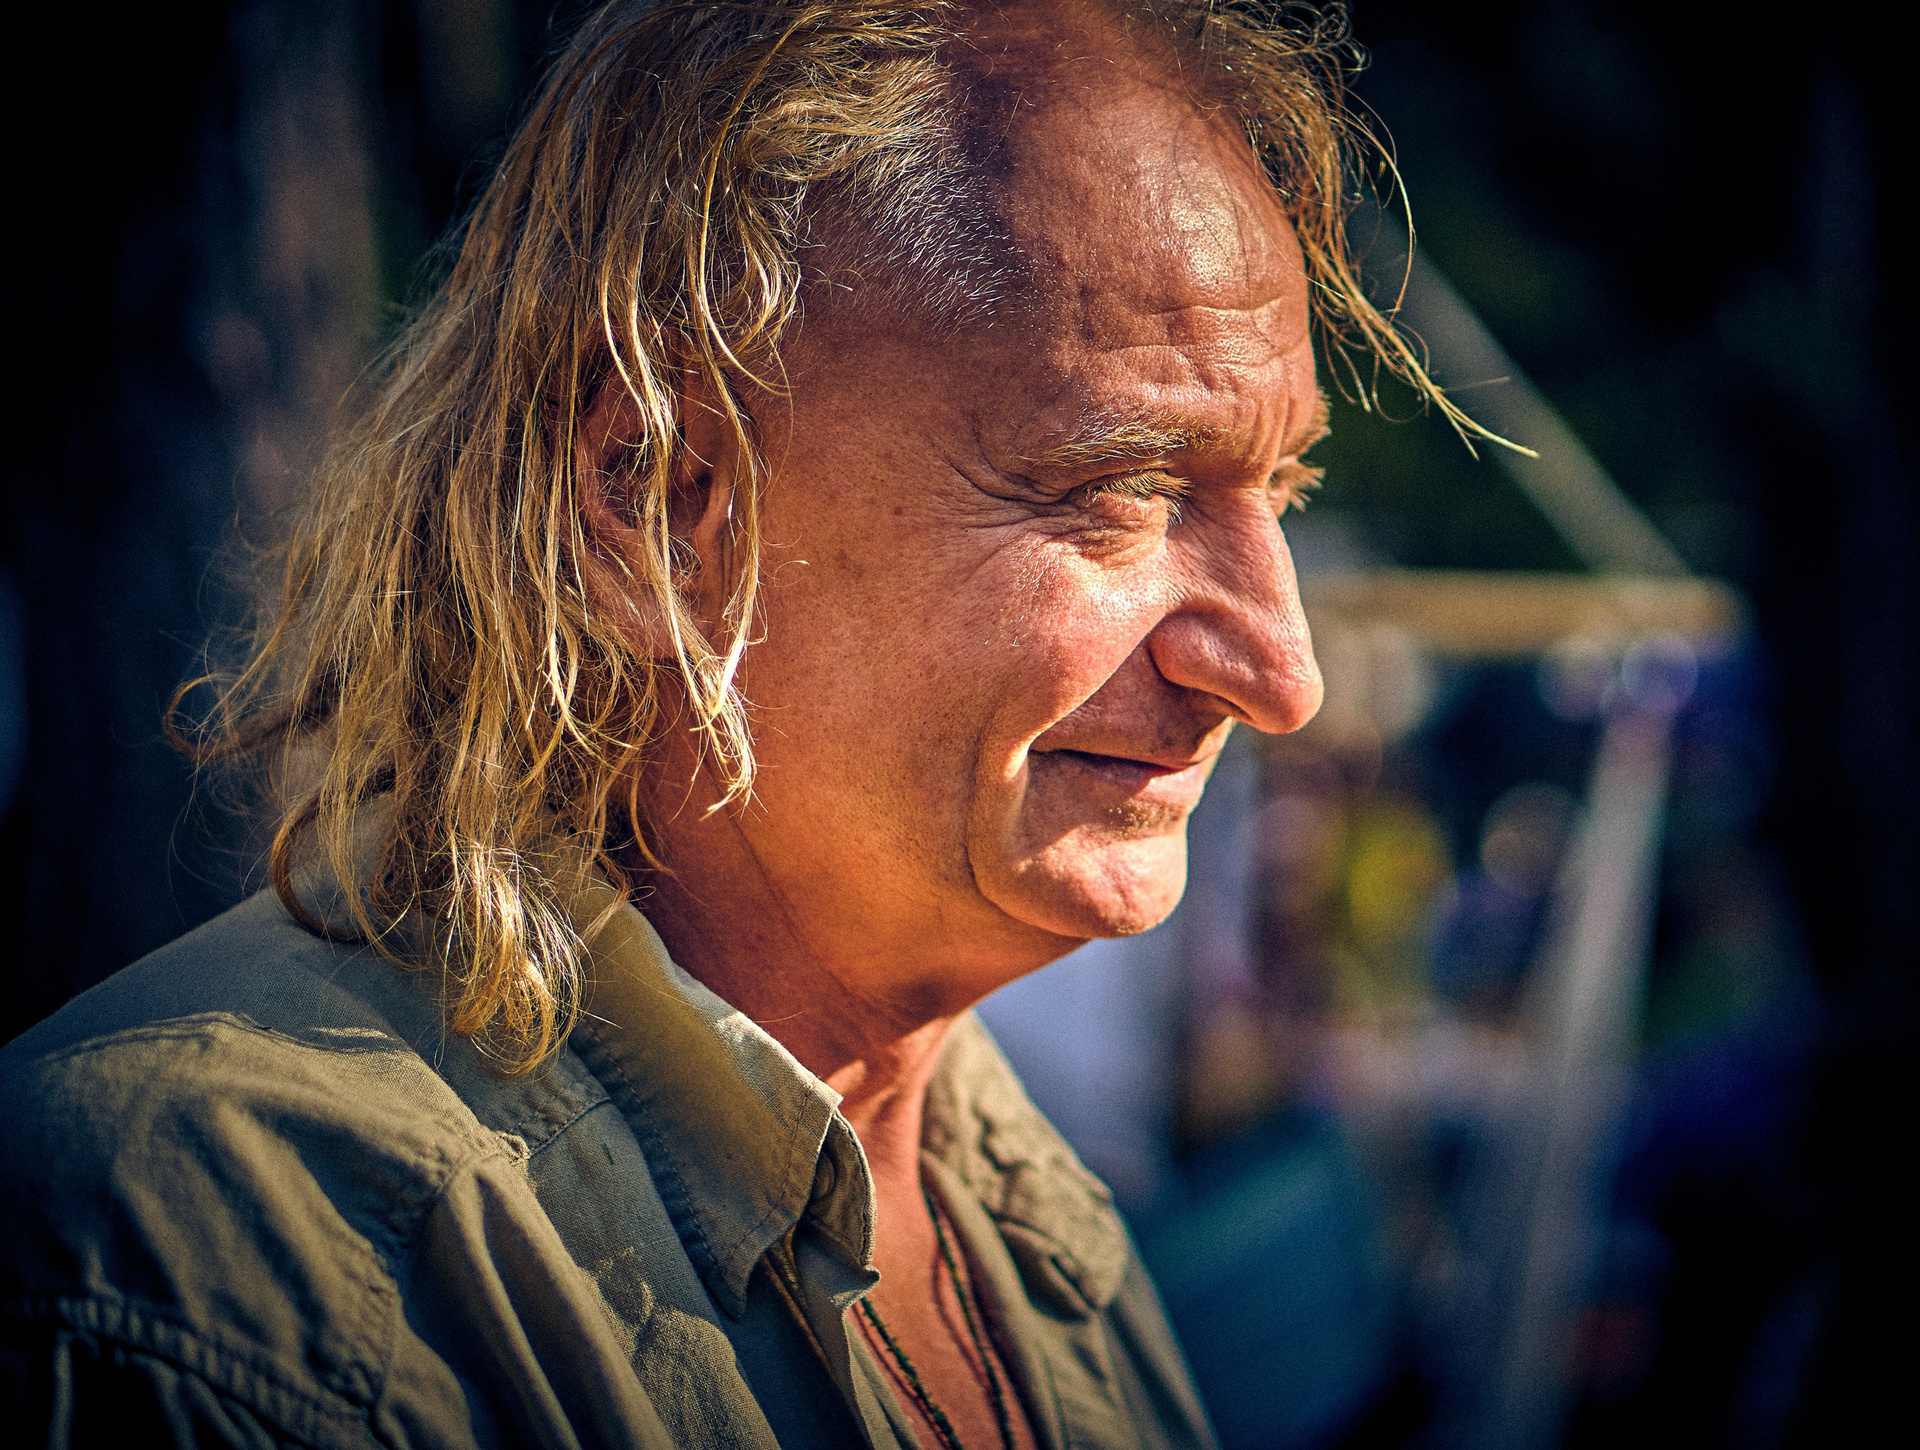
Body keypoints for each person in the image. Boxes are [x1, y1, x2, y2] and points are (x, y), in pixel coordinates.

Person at [0, 1, 1455, 1445]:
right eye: (1121, 490)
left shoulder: (1000, 1180)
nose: (1282, 674)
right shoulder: (211, 1280)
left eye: (1282, 491)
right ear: (659, 509)